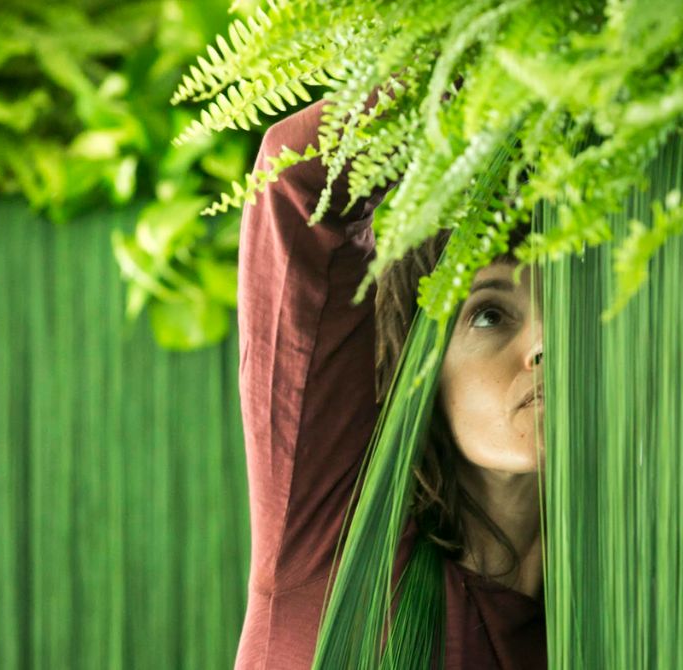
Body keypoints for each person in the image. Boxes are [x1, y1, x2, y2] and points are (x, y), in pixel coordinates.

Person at [233, 98, 547, 669]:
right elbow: (296, 180)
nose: (545, 346)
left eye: (572, 310)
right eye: (490, 315)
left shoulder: (628, 613)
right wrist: (482, 83)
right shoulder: (332, 552)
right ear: (417, 363)